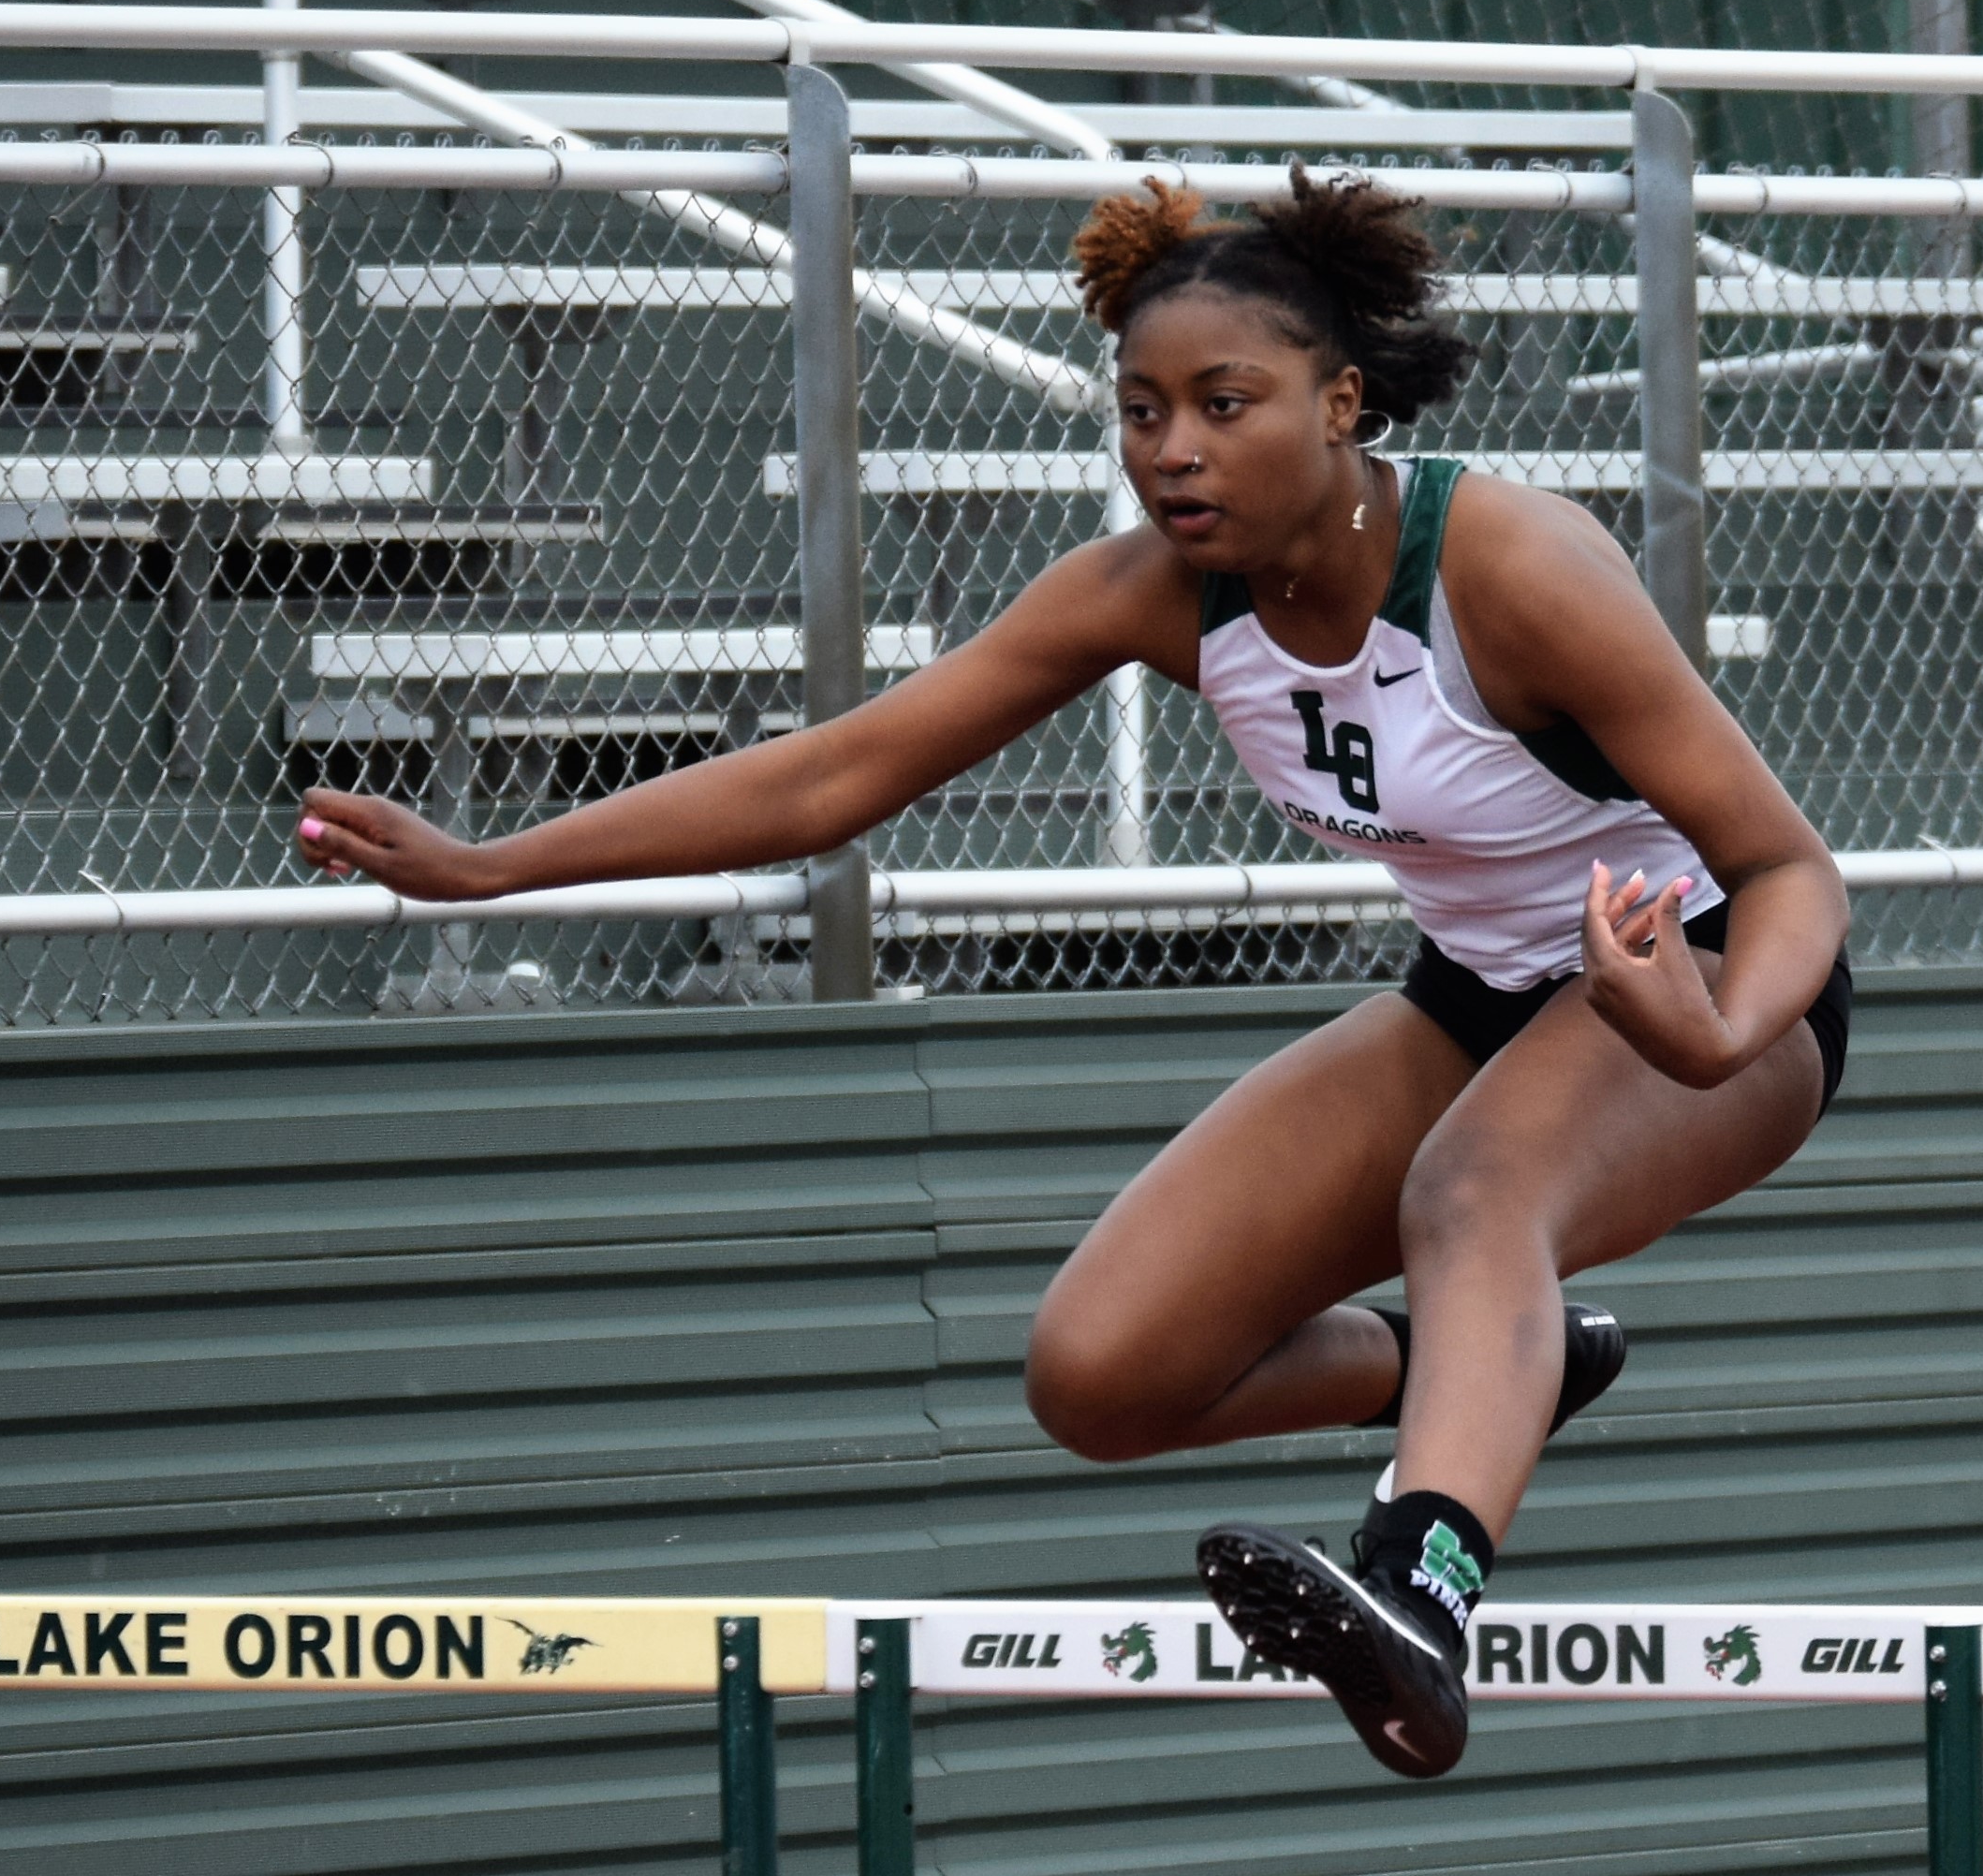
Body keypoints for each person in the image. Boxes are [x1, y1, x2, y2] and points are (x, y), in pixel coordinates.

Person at [293, 173, 1856, 1787]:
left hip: (1711, 991)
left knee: (1471, 1193)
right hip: (1472, 994)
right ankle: (1513, 1357)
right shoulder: (1149, 599)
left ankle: (1424, 1594)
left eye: (1221, 405)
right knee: (1105, 1375)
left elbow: (1791, 867)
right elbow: (834, 779)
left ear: (1339, 404)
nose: (1170, 449)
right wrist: (494, 862)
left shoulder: (1511, 564)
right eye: (1139, 410)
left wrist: (1716, 1025)